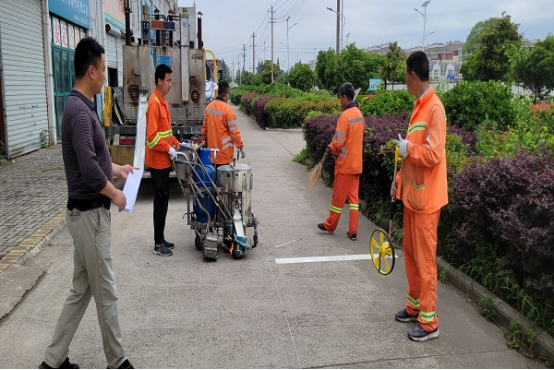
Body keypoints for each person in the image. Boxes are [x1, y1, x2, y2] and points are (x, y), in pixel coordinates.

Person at [39, 37, 134, 370]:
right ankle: (118, 362)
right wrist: (116, 192)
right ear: (91, 70)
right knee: (105, 291)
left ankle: (52, 361)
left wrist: (118, 168)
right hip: (89, 217)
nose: (106, 77)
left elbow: (96, 159)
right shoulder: (79, 112)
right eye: (103, 70)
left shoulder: (81, 106)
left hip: (85, 215)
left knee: (81, 290)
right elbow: (89, 169)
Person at [391, 51, 448, 342]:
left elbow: (433, 154)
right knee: (411, 255)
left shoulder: (434, 109)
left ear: (413, 75)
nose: (405, 81)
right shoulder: (419, 107)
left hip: (426, 201)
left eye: (405, 76)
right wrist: (399, 180)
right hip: (413, 195)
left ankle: (429, 322)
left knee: (425, 259)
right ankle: (414, 306)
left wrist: (408, 149)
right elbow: (413, 152)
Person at [318, 82, 364, 241]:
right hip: (357, 164)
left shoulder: (345, 117)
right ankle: (353, 231)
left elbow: (338, 142)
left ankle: (330, 225)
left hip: (345, 165)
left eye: (339, 97)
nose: (339, 101)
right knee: (353, 200)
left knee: (337, 199)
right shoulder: (359, 114)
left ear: (345, 97)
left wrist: (332, 149)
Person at [145, 64, 180, 257]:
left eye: (171, 81)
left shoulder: (163, 103)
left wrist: (178, 145)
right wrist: (169, 149)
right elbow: (152, 137)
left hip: (164, 161)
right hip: (157, 163)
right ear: (159, 81)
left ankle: (161, 237)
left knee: (164, 201)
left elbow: (167, 134)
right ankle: (158, 244)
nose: (170, 84)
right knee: (160, 201)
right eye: (168, 81)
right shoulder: (154, 104)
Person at [202, 80, 245, 167]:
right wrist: (240, 146)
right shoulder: (228, 110)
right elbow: (234, 132)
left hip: (211, 154)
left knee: (213, 179)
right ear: (226, 93)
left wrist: (205, 145)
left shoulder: (208, 107)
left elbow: (204, 130)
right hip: (224, 155)